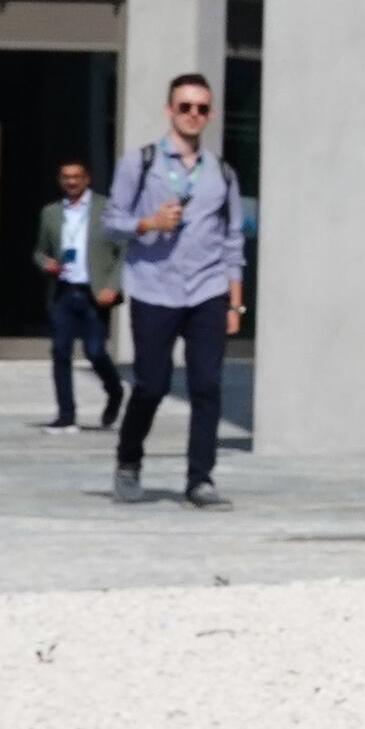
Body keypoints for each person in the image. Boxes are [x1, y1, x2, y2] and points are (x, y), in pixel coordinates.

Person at [108, 72, 250, 506]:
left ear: (210, 114)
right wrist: (149, 223)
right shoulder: (142, 161)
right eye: (185, 106)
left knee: (207, 385)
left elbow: (233, 240)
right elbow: (111, 222)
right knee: (152, 384)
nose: (193, 115)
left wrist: (235, 302)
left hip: (207, 290)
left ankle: (200, 479)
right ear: (170, 109)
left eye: (201, 108)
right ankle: (129, 461)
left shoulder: (221, 173)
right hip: (155, 288)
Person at [32, 156, 124, 430]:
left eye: (77, 176)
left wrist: (112, 285)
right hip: (63, 290)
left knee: (95, 351)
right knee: (60, 351)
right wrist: (45, 263)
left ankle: (115, 390)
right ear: (60, 181)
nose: (71, 182)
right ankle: (66, 414)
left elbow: (123, 251)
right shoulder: (50, 213)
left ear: (87, 179)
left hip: (94, 292)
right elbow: (39, 250)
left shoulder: (106, 208)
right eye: (66, 177)